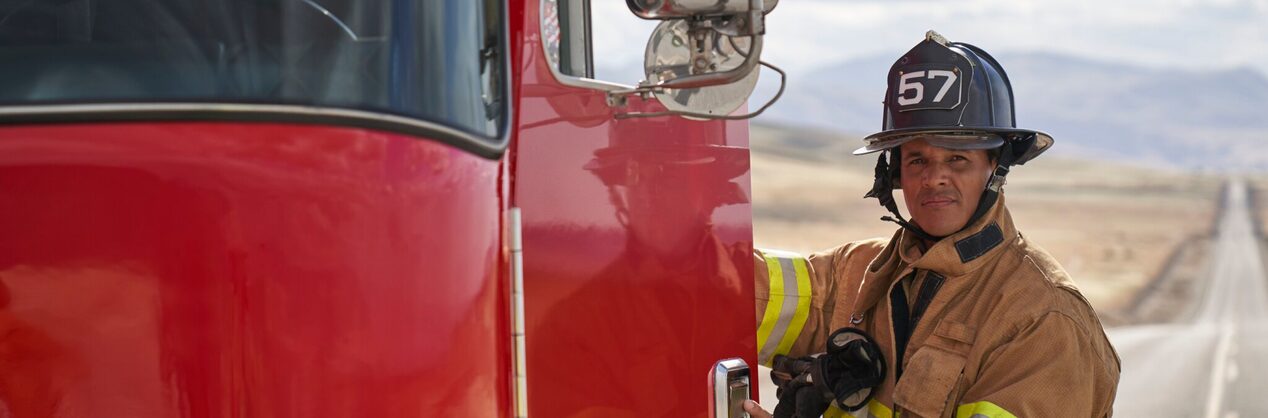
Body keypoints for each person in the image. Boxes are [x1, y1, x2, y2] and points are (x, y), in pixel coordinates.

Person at [743, 31, 1121, 418]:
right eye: (917, 160)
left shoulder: (1042, 318)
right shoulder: (858, 271)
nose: (934, 177)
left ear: (995, 168)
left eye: (958, 158)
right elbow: (737, 293)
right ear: (894, 174)